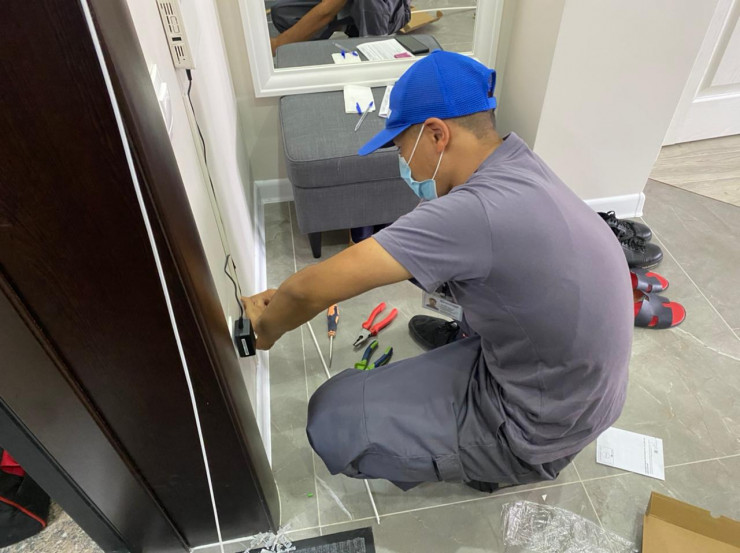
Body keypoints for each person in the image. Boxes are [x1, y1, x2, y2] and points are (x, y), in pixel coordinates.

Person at [243, 51, 633, 492]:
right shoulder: (518, 162)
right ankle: (470, 353)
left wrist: (265, 329)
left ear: (436, 134)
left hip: (536, 428)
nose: (401, 163)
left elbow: (308, 292)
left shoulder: (474, 212)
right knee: (470, 283)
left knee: (332, 416)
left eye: (400, 147)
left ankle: (492, 463)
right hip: (582, 392)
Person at [269, 0, 411, 55]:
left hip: (391, 10)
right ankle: (349, 26)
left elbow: (326, 12)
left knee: (369, 2)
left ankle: (373, 52)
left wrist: (278, 44)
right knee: (282, 12)